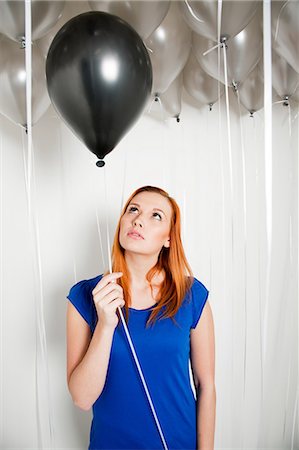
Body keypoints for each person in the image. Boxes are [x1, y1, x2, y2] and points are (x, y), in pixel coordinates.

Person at [66, 185, 216, 450]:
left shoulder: (191, 295)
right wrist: (105, 325)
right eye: (132, 210)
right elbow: (81, 398)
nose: (138, 219)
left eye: (155, 215)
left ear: (168, 238)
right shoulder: (86, 295)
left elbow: (206, 385)